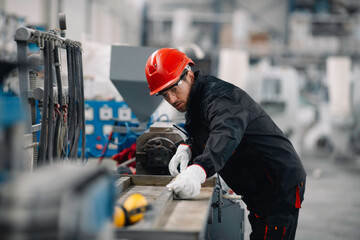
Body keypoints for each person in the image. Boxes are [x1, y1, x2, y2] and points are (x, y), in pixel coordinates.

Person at [144, 48, 306, 240]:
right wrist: (189, 148)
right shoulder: (195, 100)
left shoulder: (220, 97)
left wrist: (199, 169)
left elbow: (225, 132)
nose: (171, 99)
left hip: (277, 183)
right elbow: (207, 131)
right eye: (164, 95)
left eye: (173, 89)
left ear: (188, 75)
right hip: (257, 186)